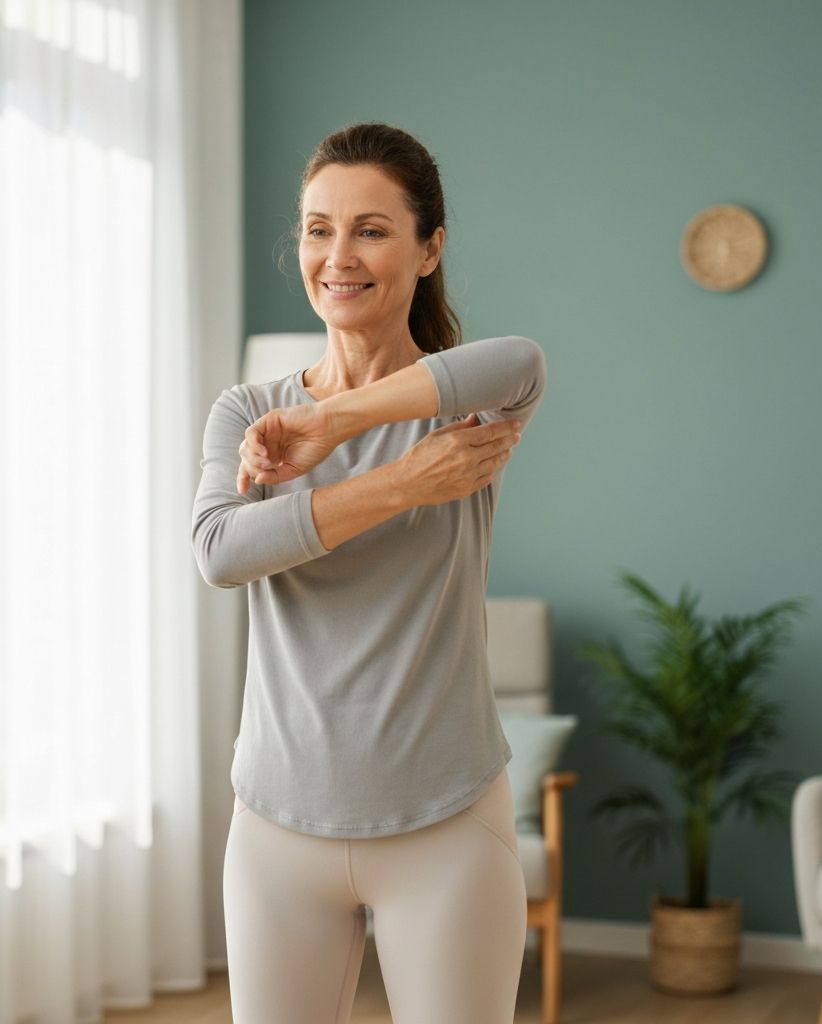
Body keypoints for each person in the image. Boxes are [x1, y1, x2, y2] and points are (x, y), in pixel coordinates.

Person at [191, 122, 547, 1024]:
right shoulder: (249, 410)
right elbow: (222, 553)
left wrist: (337, 425)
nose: (338, 256)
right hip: (277, 829)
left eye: (372, 230)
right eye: (318, 228)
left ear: (429, 249)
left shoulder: (467, 404)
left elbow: (522, 362)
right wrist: (397, 483)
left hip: (446, 828)